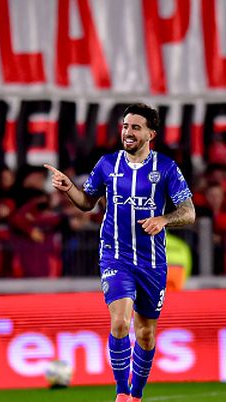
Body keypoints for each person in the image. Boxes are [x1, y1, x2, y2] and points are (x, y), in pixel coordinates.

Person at [45, 103, 195, 402]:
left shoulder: (165, 168)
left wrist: (164, 219)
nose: (128, 132)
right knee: (120, 323)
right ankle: (122, 393)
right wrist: (68, 188)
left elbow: (189, 212)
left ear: (151, 133)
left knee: (146, 334)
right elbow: (88, 202)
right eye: (125, 126)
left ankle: (136, 395)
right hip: (116, 256)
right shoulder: (106, 164)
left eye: (135, 127)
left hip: (152, 262)